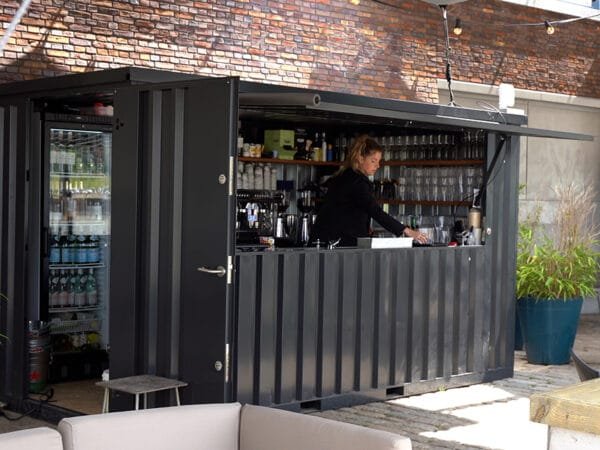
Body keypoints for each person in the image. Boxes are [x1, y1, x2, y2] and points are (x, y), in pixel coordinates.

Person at [310, 135, 428, 247]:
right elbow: (375, 211)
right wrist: (406, 230)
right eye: (373, 161)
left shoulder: (345, 175)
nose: (378, 165)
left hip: (324, 241)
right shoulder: (357, 181)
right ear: (360, 158)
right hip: (337, 244)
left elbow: (348, 209)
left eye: (379, 161)